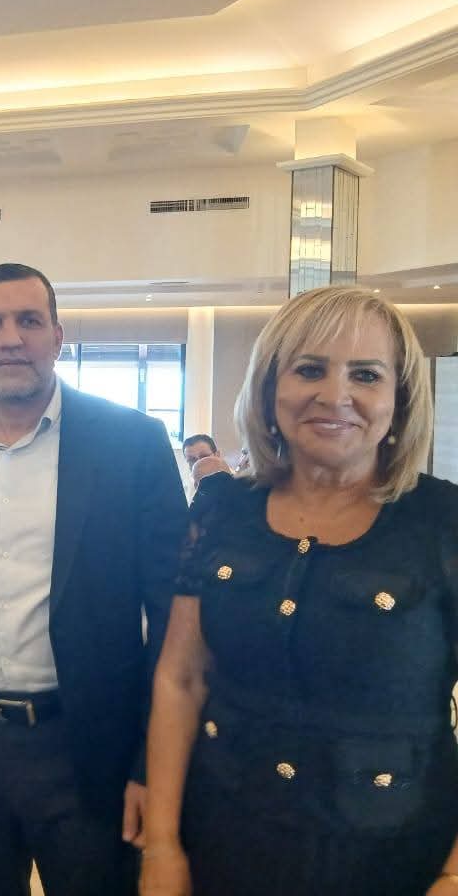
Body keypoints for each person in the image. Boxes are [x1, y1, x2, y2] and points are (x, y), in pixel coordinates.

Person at [141, 286, 458, 896]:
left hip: (395, 857)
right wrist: (162, 845)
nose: (334, 395)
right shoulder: (221, 509)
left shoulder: (444, 522)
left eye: (366, 375)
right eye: (309, 369)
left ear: (399, 399)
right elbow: (181, 677)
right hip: (226, 837)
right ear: (269, 390)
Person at [0, 263, 187, 896]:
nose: (10, 338)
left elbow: (173, 617)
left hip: (88, 743)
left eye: (28, 320)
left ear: (58, 337)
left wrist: (151, 764)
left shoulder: (131, 444)